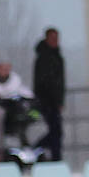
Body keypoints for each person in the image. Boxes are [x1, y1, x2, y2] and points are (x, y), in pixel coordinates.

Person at [33, 27, 65, 161]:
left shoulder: (57, 56)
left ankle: (49, 155)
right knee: (56, 131)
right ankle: (36, 151)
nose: (55, 41)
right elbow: (43, 82)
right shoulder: (43, 58)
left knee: (56, 132)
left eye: (56, 38)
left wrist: (60, 101)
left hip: (55, 102)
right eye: (52, 38)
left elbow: (60, 82)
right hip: (46, 101)